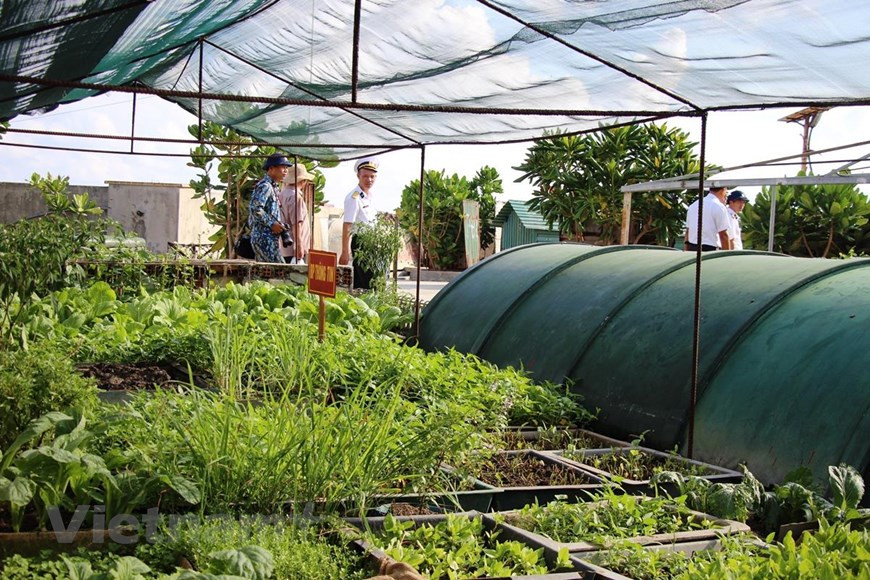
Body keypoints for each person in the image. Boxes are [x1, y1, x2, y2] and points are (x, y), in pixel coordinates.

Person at [340, 157, 379, 290]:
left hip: (372, 242)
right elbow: (347, 225)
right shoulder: (354, 197)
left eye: (372, 177)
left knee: (371, 281)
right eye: (365, 176)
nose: (369, 180)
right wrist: (345, 252)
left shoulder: (371, 196)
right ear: (358, 176)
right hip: (361, 243)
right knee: (366, 282)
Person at [249, 153, 291, 263]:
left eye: (287, 168)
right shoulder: (265, 186)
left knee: (270, 273)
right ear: (271, 169)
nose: (285, 171)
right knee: (278, 272)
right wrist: (272, 224)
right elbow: (255, 208)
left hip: (269, 238)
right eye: (283, 167)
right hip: (264, 238)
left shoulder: (273, 187)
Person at [278, 163, 314, 265]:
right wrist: (299, 245)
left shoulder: (282, 195)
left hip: (285, 245)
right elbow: (296, 223)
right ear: (303, 181)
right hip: (294, 248)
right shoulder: (295, 197)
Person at [684, 186, 732, 251]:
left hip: (692, 248)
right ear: (723, 190)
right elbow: (723, 235)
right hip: (710, 250)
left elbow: (687, 232)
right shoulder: (719, 207)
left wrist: (686, 251)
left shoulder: (693, 205)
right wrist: (727, 257)